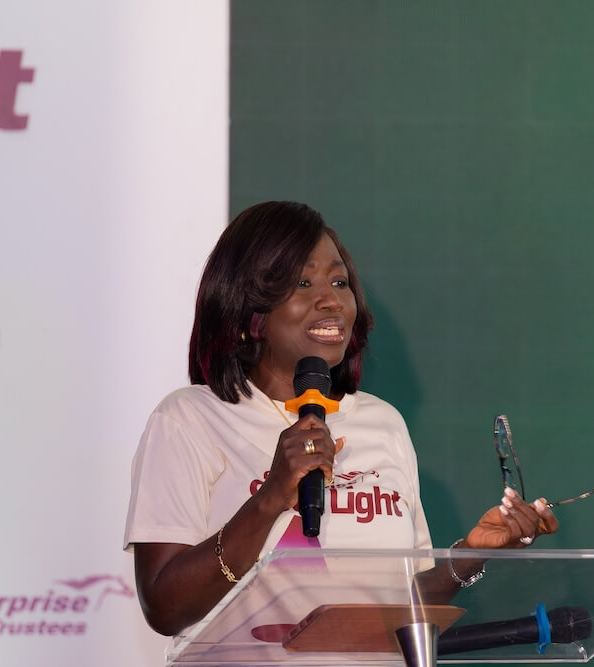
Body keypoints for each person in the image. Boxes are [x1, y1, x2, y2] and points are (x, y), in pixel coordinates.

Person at [123, 201, 559, 637]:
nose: (331, 300)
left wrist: (470, 554)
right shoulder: (189, 419)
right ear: (248, 313)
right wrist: (271, 497)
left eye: (339, 282)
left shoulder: (383, 422)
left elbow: (401, 604)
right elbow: (164, 607)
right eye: (302, 283)